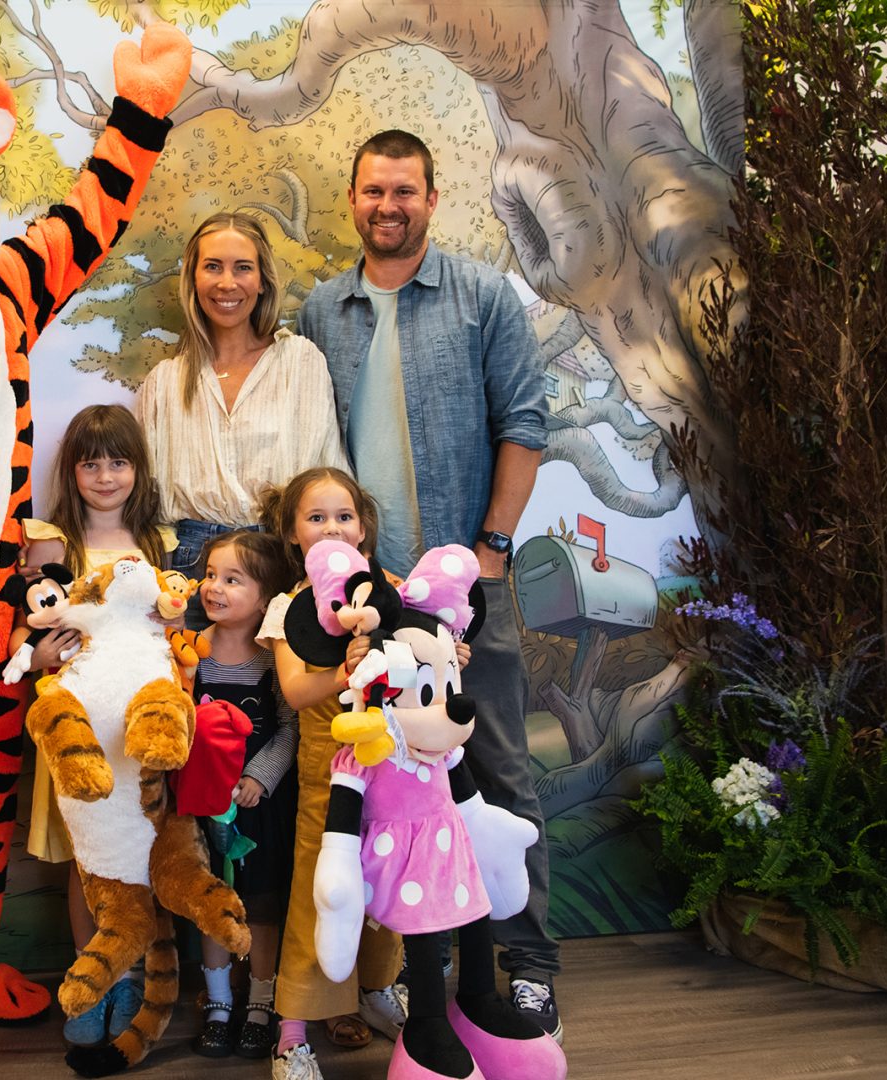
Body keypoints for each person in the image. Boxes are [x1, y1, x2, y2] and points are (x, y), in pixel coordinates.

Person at [297, 128, 560, 1044]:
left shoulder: (483, 295)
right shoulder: (320, 312)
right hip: (370, 605)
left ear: (431, 200)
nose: (388, 206)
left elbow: (527, 422)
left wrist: (490, 550)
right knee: (389, 785)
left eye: (404, 191)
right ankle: (417, 976)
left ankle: (526, 967)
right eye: (373, 191)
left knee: (499, 771)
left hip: (463, 589)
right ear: (355, 199)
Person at [15, 403, 177, 1047]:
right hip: (78, 729)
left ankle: (132, 972)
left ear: (137, 468)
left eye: (119, 462)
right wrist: (41, 658)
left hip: (141, 730)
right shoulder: (55, 544)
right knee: (88, 861)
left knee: (140, 857)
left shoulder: (158, 543)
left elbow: (173, 627)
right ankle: (93, 977)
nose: (105, 476)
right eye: (91, 463)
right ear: (72, 470)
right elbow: (25, 625)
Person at [255, 467, 405, 1080]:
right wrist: (346, 674)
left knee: (388, 887)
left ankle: (376, 989)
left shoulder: (390, 590)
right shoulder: (290, 607)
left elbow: (422, 663)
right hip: (329, 772)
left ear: (363, 526)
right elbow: (294, 691)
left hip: (396, 772)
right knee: (323, 893)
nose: (332, 527)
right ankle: (292, 1031)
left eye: (343, 516)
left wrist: (445, 651)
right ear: (293, 534)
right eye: (315, 518)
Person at [136, 212, 348, 594]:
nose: (227, 283)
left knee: (282, 658)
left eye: (243, 268)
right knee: (193, 657)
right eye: (213, 267)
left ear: (263, 280)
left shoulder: (300, 362)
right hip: (188, 573)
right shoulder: (163, 382)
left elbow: (328, 475)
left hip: (282, 561)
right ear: (194, 279)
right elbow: (138, 504)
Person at [183, 530, 299, 1061]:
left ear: (267, 594)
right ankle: (219, 1003)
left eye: (233, 579)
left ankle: (259, 1002)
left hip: (258, 806)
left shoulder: (273, 657)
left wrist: (260, 776)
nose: (215, 587)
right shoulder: (193, 649)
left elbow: (289, 726)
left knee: (261, 904)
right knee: (213, 904)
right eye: (210, 575)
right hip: (204, 806)